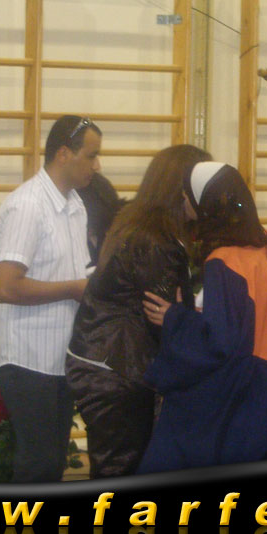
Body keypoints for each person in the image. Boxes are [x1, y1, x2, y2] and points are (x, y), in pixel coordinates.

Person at [139, 162, 267, 473]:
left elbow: (218, 344)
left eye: (187, 197)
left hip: (253, 394)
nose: (184, 203)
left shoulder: (224, 261)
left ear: (204, 204)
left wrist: (174, 318)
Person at [65, 144, 212, 478]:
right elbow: (163, 316)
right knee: (121, 467)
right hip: (116, 368)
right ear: (182, 189)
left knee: (119, 464)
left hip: (105, 361)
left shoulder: (140, 223)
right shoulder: (155, 240)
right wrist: (191, 322)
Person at [0, 115, 102, 482]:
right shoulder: (28, 205)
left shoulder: (76, 205)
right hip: (27, 358)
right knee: (37, 464)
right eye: (91, 156)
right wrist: (73, 288)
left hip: (59, 356)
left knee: (51, 463)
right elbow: (6, 287)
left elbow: (74, 271)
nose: (97, 166)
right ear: (64, 154)